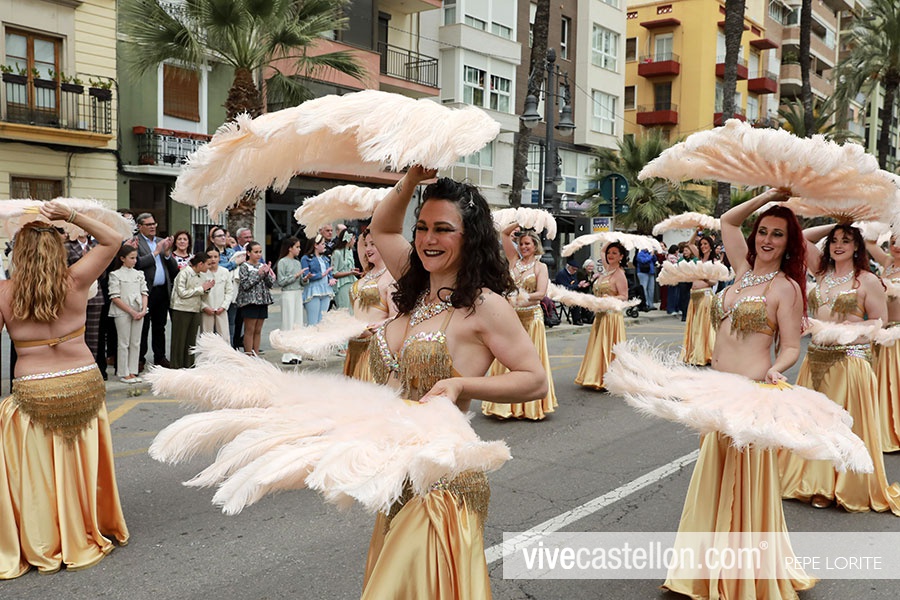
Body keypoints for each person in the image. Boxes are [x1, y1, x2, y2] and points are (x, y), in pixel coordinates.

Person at [364, 166, 546, 598]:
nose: (428, 239)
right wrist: (412, 180)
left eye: (443, 229)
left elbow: (535, 380)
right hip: (397, 473)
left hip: (443, 482)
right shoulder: (415, 283)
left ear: (470, 237)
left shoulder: (484, 305)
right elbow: (382, 227)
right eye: (422, 227)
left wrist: (462, 386)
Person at [662, 189, 816, 598]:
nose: (767, 239)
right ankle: (705, 567)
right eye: (763, 231)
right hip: (717, 392)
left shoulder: (786, 288)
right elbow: (728, 220)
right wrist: (770, 195)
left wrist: (777, 369)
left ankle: (743, 575)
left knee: (744, 486)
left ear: (789, 243)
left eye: (778, 234)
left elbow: (790, 346)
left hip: (750, 395)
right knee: (713, 478)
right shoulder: (742, 270)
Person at [0, 201, 129, 578]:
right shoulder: (76, 280)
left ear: (17, 254)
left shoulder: (4, 292)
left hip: (34, 391)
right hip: (83, 384)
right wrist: (69, 217)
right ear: (58, 250)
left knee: (39, 472)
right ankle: (82, 523)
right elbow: (113, 239)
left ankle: (43, 536)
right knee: (77, 464)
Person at [779, 223, 900, 514]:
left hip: (850, 361)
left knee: (842, 425)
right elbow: (801, 236)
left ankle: (839, 485)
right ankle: (814, 482)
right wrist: (836, 222)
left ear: (857, 246)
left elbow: (880, 321)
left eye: (846, 240)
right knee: (814, 423)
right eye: (834, 240)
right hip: (815, 358)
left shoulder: (867, 280)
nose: (838, 245)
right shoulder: (821, 272)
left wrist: (853, 330)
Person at [482, 226, 557, 420]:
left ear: (535, 246)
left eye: (527, 244)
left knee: (529, 361)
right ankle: (504, 405)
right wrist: (520, 219)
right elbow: (504, 234)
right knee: (507, 357)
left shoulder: (540, 267)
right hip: (512, 318)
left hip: (532, 317)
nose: (524, 247)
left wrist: (519, 299)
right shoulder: (513, 260)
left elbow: (541, 294)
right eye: (521, 244)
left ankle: (529, 406)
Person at [574, 242, 629, 390]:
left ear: (621, 257)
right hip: (600, 315)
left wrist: (608, 299)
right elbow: (603, 251)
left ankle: (609, 378)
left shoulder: (619, 274)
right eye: (609, 253)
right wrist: (609, 239)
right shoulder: (607, 270)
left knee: (607, 346)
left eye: (615, 253)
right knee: (598, 346)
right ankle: (595, 375)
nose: (610, 255)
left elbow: (624, 296)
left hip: (611, 316)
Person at [344, 229, 395, 381]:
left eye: (373, 244)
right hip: (354, 346)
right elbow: (360, 239)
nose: (367, 249)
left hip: (374, 348)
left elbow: (397, 317)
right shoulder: (368, 272)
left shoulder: (391, 277)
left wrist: (378, 326)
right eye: (366, 245)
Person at [867, 234, 900, 452]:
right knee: (882, 383)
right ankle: (882, 428)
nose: (897, 246)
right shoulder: (887, 263)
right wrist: (878, 221)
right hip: (882, 333)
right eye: (894, 241)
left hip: (898, 336)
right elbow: (868, 241)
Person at [134, 212, 177, 369]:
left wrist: (167, 254)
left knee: (160, 326)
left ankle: (160, 357)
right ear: (140, 226)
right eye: (148, 224)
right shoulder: (135, 242)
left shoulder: (161, 241)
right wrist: (156, 253)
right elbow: (137, 264)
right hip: (145, 291)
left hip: (162, 291)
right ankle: (140, 358)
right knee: (143, 327)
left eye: (154, 224)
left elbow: (173, 268)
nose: (152, 227)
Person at [108, 244, 148, 383]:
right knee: (123, 342)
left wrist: (143, 310)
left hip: (138, 311)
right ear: (122, 258)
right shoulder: (115, 275)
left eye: (135, 258)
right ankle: (123, 372)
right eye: (131, 258)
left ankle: (133, 371)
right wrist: (131, 311)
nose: (134, 261)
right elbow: (115, 297)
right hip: (122, 312)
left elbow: (144, 292)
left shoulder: (139, 274)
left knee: (136, 342)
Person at [170, 252, 214, 369]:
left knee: (191, 340)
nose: (209, 267)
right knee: (179, 340)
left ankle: (189, 365)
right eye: (208, 264)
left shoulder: (202, 276)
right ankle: (176, 366)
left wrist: (207, 289)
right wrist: (201, 288)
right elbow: (182, 293)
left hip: (195, 309)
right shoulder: (184, 273)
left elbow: (202, 296)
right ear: (200, 264)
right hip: (181, 309)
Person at [680, 235, 718, 365]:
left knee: (704, 326)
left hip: (705, 295)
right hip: (694, 296)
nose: (703, 246)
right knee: (695, 326)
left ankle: (707, 354)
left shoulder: (714, 262)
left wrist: (705, 278)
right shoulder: (699, 259)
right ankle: (696, 351)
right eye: (701, 244)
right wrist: (697, 231)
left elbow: (714, 281)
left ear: (711, 246)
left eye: (706, 244)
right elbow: (690, 244)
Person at [236, 241, 275, 356]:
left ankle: (256, 354)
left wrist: (267, 273)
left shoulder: (262, 265)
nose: (258, 254)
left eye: (260, 252)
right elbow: (245, 284)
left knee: (258, 330)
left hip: (262, 301)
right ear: (248, 253)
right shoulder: (244, 266)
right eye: (256, 252)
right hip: (250, 301)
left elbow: (270, 284)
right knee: (249, 330)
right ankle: (248, 354)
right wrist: (258, 274)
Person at [275, 237, 309, 365]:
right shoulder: (282, 262)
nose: (299, 249)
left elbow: (301, 282)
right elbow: (281, 281)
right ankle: (287, 355)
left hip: (297, 293)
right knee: (288, 322)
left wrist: (305, 278)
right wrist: (295, 275)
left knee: (297, 323)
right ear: (290, 248)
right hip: (288, 293)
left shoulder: (297, 262)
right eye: (297, 247)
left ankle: (297, 353)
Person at [301, 234, 336, 326]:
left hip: (326, 290)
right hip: (313, 290)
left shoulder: (325, 258)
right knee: (313, 322)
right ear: (315, 245)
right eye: (323, 244)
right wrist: (322, 274)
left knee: (322, 321)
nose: (325, 246)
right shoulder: (306, 258)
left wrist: (331, 279)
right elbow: (307, 275)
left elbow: (329, 273)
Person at [200, 247, 233, 341]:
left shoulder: (225, 272)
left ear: (219, 258)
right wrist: (204, 307)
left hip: (221, 309)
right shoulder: (202, 273)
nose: (213, 259)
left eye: (215, 257)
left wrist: (223, 306)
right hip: (207, 309)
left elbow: (229, 291)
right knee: (206, 337)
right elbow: (198, 293)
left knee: (224, 337)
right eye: (210, 257)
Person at [331, 229, 360, 311]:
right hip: (342, 284)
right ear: (348, 239)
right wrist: (350, 272)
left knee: (353, 308)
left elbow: (348, 268)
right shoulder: (337, 253)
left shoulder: (350, 251)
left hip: (352, 283)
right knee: (344, 308)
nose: (355, 241)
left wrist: (353, 270)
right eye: (354, 238)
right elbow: (334, 273)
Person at [555, 259, 585, 325]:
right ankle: (576, 319)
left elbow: (574, 284)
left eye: (576, 270)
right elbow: (565, 287)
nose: (575, 271)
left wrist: (581, 286)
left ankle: (584, 317)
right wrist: (577, 286)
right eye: (573, 269)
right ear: (569, 267)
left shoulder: (574, 274)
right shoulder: (562, 274)